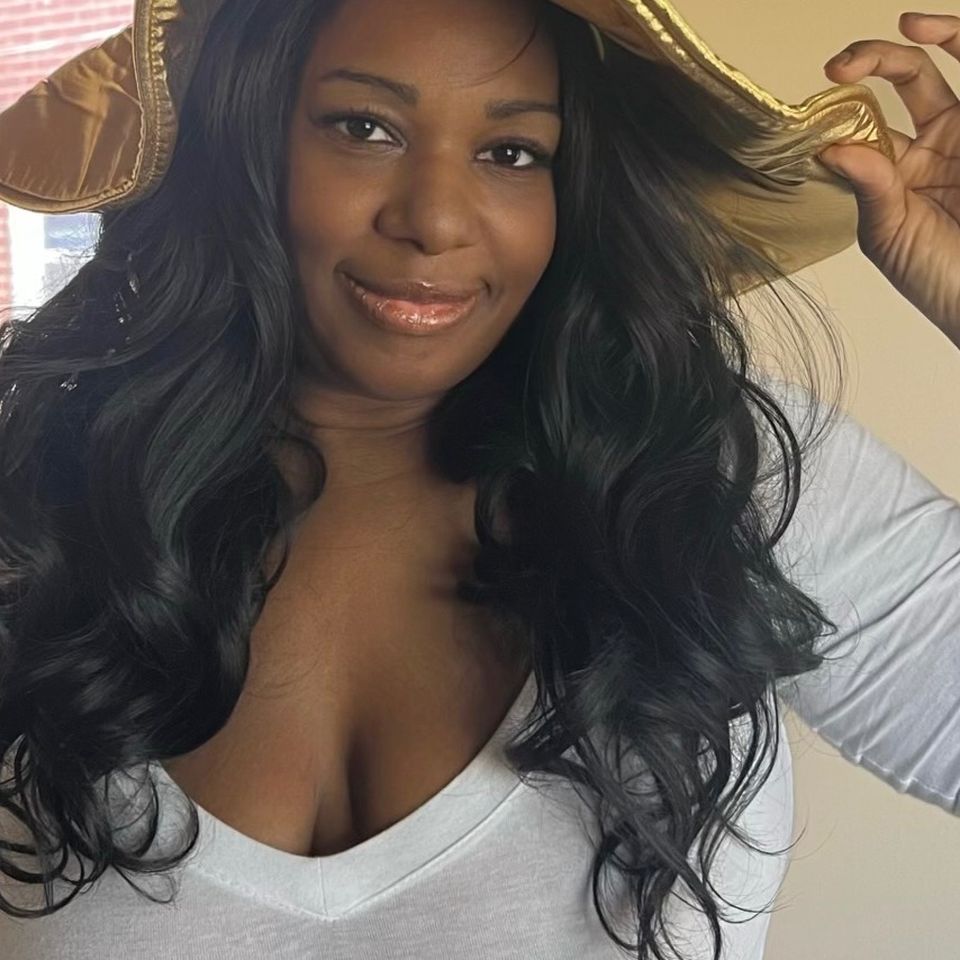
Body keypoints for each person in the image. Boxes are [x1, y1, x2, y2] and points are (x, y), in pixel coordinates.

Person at [0, 1, 957, 958]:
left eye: (512, 152)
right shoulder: (43, 511)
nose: (436, 221)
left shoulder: (710, 470)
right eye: (364, 127)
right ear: (246, 136)